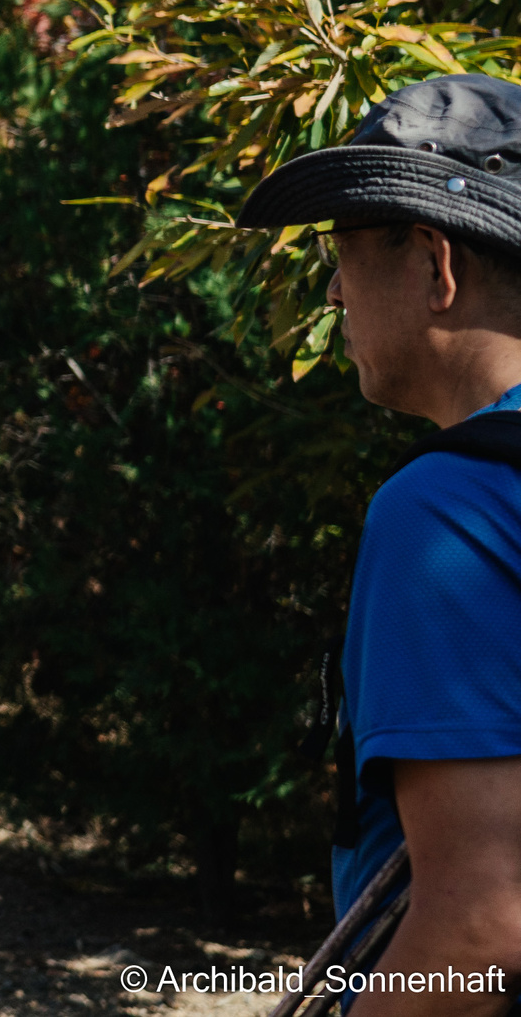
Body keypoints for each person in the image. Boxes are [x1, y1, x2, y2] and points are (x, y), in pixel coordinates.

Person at [237, 74, 521, 1014]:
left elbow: (481, 930)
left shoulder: (450, 509)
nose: (331, 288)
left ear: (436, 264)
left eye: (344, 251)